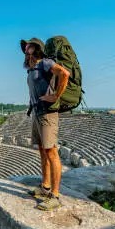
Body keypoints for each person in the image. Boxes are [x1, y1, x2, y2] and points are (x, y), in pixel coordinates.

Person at [20, 37, 70, 211]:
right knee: (42, 149)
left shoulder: (45, 63)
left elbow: (64, 74)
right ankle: (45, 186)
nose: (26, 51)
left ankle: (55, 195)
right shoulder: (32, 69)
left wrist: (56, 96)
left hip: (47, 114)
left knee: (51, 152)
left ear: (37, 49)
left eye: (29, 48)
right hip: (37, 112)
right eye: (25, 49)